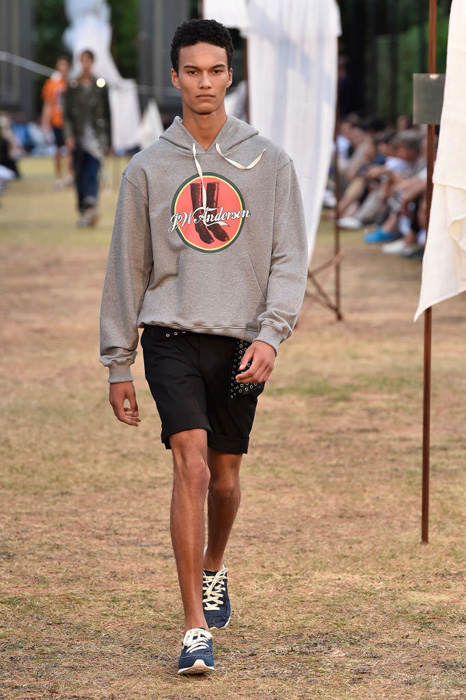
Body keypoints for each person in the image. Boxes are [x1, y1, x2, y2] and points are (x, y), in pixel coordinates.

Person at [100, 19, 309, 676]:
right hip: (170, 335)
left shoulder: (269, 162)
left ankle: (215, 564)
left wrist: (272, 334)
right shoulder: (147, 168)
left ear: (230, 76)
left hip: (242, 341)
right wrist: (118, 362)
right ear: (175, 77)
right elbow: (126, 268)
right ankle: (194, 626)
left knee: (224, 478)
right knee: (189, 468)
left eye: (215, 70)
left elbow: (288, 258)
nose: (204, 83)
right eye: (192, 71)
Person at [63, 50, 111, 227]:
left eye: (89, 60)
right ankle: (84, 210)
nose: (86, 64)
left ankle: (92, 205)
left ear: (93, 62)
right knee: (79, 173)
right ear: (80, 62)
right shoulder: (73, 85)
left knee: (92, 171)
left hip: (96, 137)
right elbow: (67, 114)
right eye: (83, 60)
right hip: (78, 136)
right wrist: (68, 136)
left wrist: (109, 140)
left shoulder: (100, 85)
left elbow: (107, 114)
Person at [41, 56, 73, 188]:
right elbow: (48, 104)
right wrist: (45, 121)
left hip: (69, 121)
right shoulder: (52, 83)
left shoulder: (72, 83)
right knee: (58, 149)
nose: (63, 68)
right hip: (57, 120)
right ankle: (59, 176)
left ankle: (70, 175)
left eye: (65, 65)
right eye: (61, 65)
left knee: (70, 148)